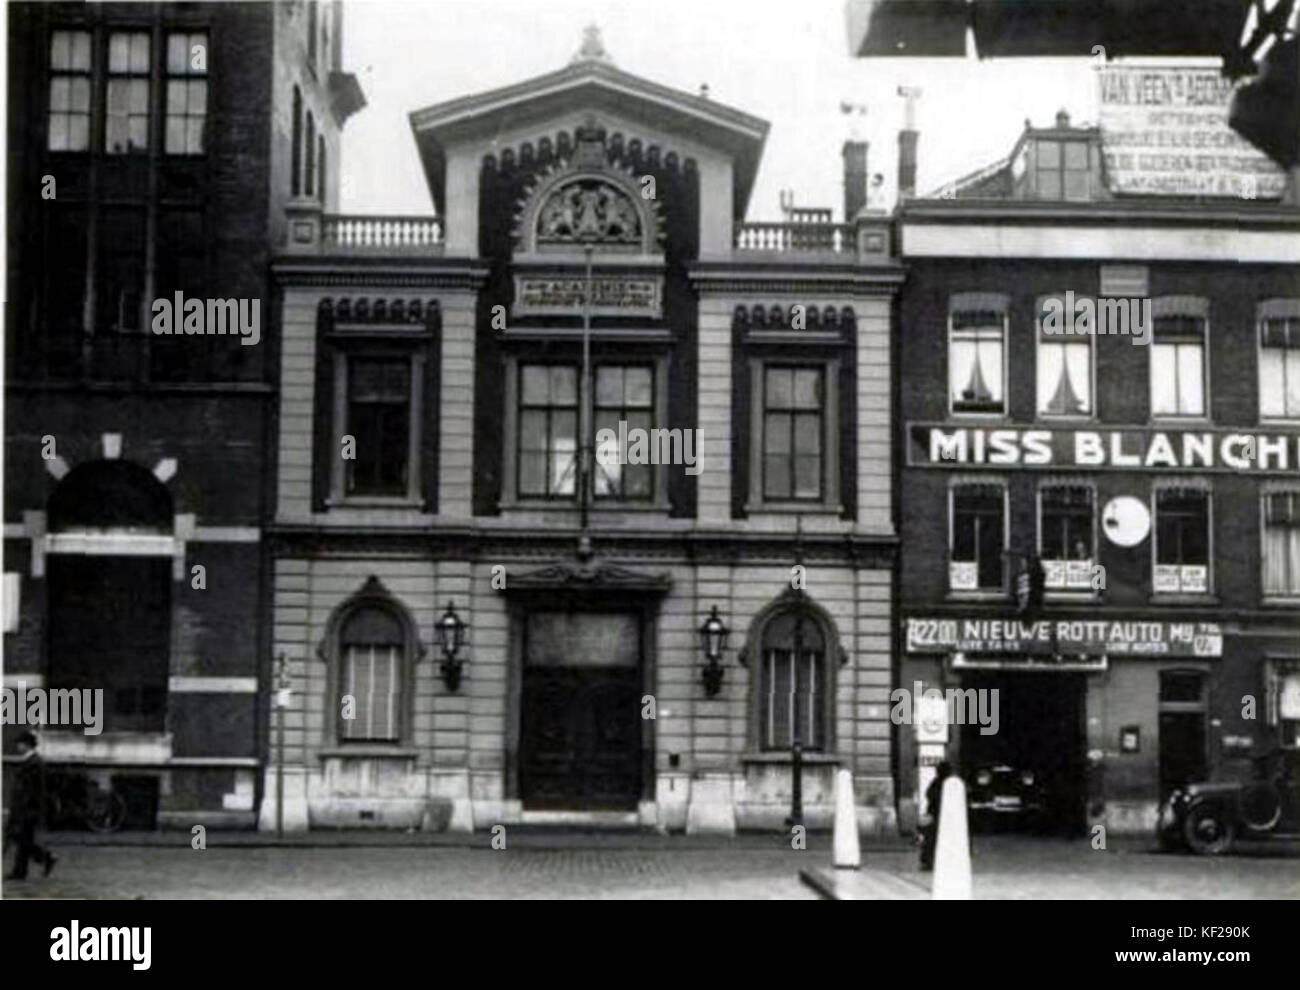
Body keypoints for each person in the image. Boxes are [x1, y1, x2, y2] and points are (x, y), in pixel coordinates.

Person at [5, 730, 56, 880]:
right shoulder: (31, 761)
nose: (18, 746)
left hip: (28, 809)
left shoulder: (34, 763)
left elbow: (31, 789)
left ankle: (28, 867)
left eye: (20, 743)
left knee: (21, 839)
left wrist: (23, 808)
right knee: (22, 839)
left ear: (26, 745)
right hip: (27, 808)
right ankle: (31, 865)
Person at [919, 761, 953, 871]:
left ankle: (928, 861)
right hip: (943, 816)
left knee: (930, 840)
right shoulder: (949, 783)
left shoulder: (936, 782)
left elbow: (928, 795)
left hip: (935, 815)